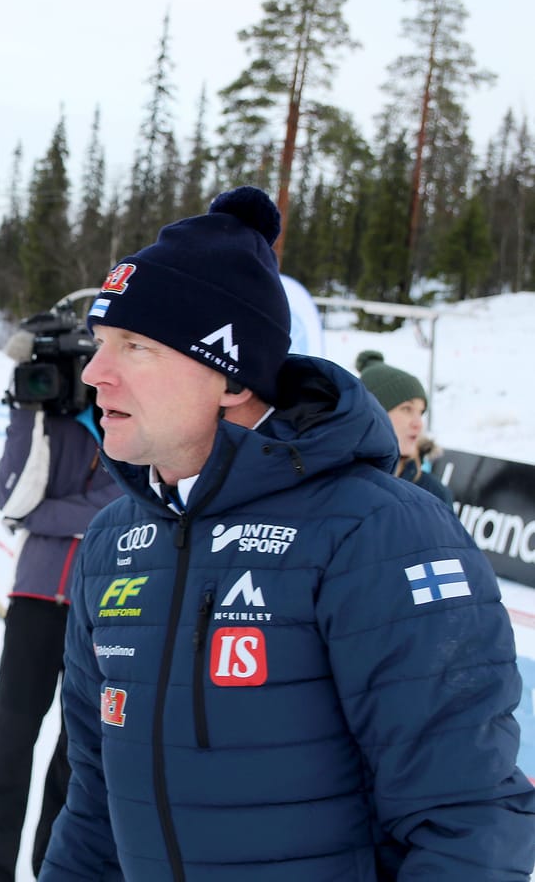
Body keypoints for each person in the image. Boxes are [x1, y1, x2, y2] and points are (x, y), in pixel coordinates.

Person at [40, 186, 535, 881]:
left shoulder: (379, 532)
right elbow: (93, 805)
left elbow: (467, 822)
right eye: (99, 344)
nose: (95, 372)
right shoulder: (115, 540)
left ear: (230, 377)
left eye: (135, 346)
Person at [0, 327, 122, 881]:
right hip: (35, 597)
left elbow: (120, 503)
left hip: (103, 605)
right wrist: (28, 410)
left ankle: (54, 867)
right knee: (7, 738)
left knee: (78, 749)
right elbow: (13, 498)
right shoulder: (44, 420)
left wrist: (45, 516)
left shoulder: (126, 424)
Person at [355, 349, 453, 504]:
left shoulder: (434, 494)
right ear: (375, 414)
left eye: (420, 413)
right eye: (407, 409)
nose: (418, 424)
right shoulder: (336, 486)